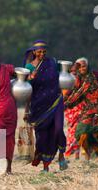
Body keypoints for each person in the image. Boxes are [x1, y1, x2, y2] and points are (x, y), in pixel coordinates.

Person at [23, 40, 68, 172]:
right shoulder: (29, 67)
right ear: (34, 52)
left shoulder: (52, 62)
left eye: (44, 51)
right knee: (43, 136)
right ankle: (46, 166)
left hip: (56, 100)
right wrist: (27, 109)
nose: (42, 54)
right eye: (39, 52)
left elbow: (64, 73)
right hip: (38, 105)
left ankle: (61, 156)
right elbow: (26, 89)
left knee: (59, 129)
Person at [64, 57, 98, 166]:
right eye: (79, 66)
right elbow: (73, 92)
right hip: (89, 108)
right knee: (80, 132)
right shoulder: (78, 79)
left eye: (84, 65)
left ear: (87, 66)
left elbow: (79, 93)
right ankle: (92, 150)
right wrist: (64, 101)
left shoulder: (91, 77)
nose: (82, 68)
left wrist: (65, 104)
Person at [64, 61, 83, 160]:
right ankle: (73, 153)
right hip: (70, 110)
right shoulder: (66, 80)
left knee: (78, 131)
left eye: (75, 71)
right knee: (71, 130)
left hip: (79, 108)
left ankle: (76, 154)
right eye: (71, 71)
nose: (73, 73)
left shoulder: (81, 80)